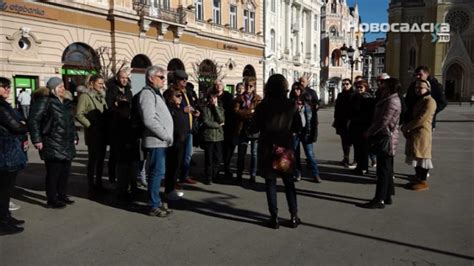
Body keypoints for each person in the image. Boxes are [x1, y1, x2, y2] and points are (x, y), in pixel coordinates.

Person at [250, 74, 301, 229]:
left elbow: (254, 128)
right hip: (285, 147)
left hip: (267, 147)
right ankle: (293, 216)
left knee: (270, 182)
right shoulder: (291, 105)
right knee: (288, 183)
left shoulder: (262, 106)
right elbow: (298, 127)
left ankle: (274, 217)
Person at [29, 77, 78, 208]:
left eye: (63, 86)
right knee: (53, 173)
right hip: (51, 141)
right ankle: (52, 199)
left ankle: (62, 195)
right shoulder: (45, 101)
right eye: (60, 87)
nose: (63, 89)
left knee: (65, 172)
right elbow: (34, 120)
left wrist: (75, 136)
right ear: (53, 89)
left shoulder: (66, 102)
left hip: (66, 142)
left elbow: (71, 122)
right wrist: (37, 139)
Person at [358, 78, 402, 209]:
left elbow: (384, 121)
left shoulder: (392, 101)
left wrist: (369, 132)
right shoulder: (388, 99)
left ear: (390, 87)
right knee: (386, 169)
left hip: (386, 138)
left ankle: (379, 199)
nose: (381, 88)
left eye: (384, 86)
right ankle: (387, 196)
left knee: (383, 170)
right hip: (385, 137)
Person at [138, 66, 174, 217]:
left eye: (164, 77)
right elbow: (149, 120)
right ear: (151, 78)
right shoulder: (147, 94)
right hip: (156, 141)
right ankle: (153, 204)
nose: (164, 80)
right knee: (155, 173)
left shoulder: (156, 94)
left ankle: (157, 201)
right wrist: (165, 135)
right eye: (161, 77)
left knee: (159, 173)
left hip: (161, 141)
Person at [0, 77, 27, 235]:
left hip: (8, 150)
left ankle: (6, 217)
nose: (7, 89)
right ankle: (3, 222)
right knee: (3, 189)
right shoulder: (1, 107)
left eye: (8, 87)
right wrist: (23, 126)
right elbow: (17, 126)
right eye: (3, 87)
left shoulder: (5, 105)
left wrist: (22, 125)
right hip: (5, 151)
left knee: (7, 189)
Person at [165, 70, 200, 185]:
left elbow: (193, 106)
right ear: (175, 80)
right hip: (178, 130)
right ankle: (173, 180)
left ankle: (184, 175)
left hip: (188, 129)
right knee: (176, 157)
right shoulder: (170, 92)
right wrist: (183, 110)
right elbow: (169, 110)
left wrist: (196, 112)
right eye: (182, 79)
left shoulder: (187, 92)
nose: (184, 81)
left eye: (186, 79)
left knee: (188, 155)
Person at [402, 80, 436, 191]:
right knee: (416, 156)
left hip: (422, 133)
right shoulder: (420, 99)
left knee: (423, 157)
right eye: (416, 87)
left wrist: (407, 127)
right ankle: (417, 178)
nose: (418, 89)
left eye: (421, 88)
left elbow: (421, 119)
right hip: (415, 132)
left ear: (427, 89)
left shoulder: (430, 101)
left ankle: (423, 181)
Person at [76, 75, 108, 193]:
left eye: (102, 84)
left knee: (100, 160)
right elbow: (79, 114)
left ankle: (99, 183)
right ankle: (91, 185)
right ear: (91, 83)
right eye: (99, 83)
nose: (102, 86)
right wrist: (91, 126)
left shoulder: (101, 96)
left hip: (103, 133)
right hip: (93, 134)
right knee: (93, 160)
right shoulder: (85, 96)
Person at [289, 82, 321, 182]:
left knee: (310, 154)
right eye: (294, 89)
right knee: (295, 155)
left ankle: (315, 174)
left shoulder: (308, 103)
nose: (296, 91)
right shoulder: (291, 103)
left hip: (306, 132)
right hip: (295, 133)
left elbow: (313, 120)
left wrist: (313, 133)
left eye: (298, 89)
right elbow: (288, 119)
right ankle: (298, 174)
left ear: (301, 90)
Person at [105, 70, 133, 184]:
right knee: (114, 154)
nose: (124, 80)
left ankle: (124, 178)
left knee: (125, 154)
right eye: (122, 78)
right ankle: (112, 177)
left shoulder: (128, 91)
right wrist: (117, 106)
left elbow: (129, 107)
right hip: (115, 126)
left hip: (126, 125)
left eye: (126, 78)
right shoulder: (112, 90)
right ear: (117, 78)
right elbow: (110, 107)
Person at [111, 95, 140, 201]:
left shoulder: (129, 120)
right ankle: (122, 191)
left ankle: (132, 188)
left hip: (131, 151)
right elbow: (118, 137)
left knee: (132, 172)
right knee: (123, 173)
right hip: (123, 151)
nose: (127, 112)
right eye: (125, 110)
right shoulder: (118, 121)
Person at [234, 76, 262, 184]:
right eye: (246, 85)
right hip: (242, 128)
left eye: (250, 86)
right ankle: (239, 175)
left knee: (254, 154)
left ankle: (253, 175)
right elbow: (236, 112)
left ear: (254, 87)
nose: (248, 88)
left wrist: (245, 112)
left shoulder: (258, 99)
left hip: (254, 129)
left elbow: (259, 114)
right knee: (241, 153)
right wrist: (250, 112)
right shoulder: (239, 98)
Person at [404, 65, 447, 129]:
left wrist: (430, 111)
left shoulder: (435, 85)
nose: (418, 76)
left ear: (427, 74)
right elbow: (407, 100)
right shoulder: (413, 85)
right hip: (411, 119)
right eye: (416, 74)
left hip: (426, 122)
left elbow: (443, 102)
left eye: (420, 74)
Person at [349, 80, 375, 176]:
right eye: (357, 87)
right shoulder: (354, 96)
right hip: (355, 125)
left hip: (364, 125)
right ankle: (359, 166)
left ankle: (364, 168)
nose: (359, 89)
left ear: (365, 87)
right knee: (357, 148)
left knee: (363, 148)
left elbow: (370, 113)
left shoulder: (368, 98)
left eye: (361, 87)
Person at [163, 89, 186, 200]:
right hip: (174, 142)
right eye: (177, 95)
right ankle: (168, 191)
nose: (180, 97)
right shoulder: (169, 110)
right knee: (171, 167)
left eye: (181, 95)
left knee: (176, 166)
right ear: (170, 97)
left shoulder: (178, 109)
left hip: (180, 142)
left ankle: (172, 189)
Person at [201, 90, 225, 185]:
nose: (213, 100)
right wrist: (219, 125)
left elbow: (221, 119)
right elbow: (206, 121)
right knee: (209, 159)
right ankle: (208, 177)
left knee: (218, 158)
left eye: (214, 98)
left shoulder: (220, 108)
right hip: (209, 136)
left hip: (218, 137)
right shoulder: (205, 109)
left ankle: (215, 175)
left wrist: (215, 107)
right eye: (211, 98)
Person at [333, 78, 355, 168]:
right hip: (341, 121)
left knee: (350, 141)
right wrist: (335, 119)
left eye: (347, 84)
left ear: (350, 85)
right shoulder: (340, 95)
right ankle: (345, 158)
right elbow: (337, 108)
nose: (345, 86)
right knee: (344, 141)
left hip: (350, 121)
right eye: (343, 84)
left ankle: (354, 160)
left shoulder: (353, 95)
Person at [217, 81, 236, 178]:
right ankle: (217, 169)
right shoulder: (212, 96)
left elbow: (232, 111)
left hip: (228, 125)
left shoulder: (228, 97)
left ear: (223, 87)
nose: (218, 87)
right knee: (219, 149)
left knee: (229, 148)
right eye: (216, 85)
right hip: (217, 126)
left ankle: (226, 166)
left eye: (220, 85)